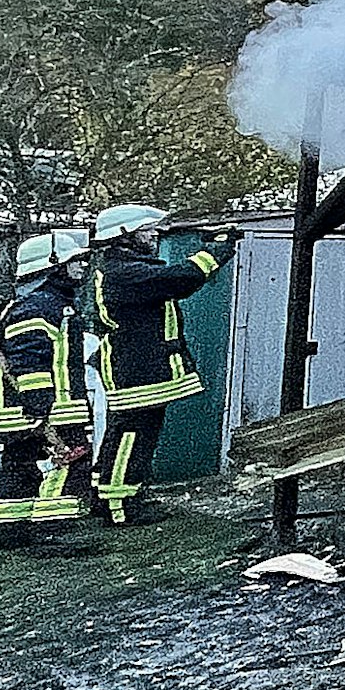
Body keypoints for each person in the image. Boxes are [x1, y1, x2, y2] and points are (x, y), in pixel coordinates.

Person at [89, 204, 235, 525]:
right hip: (136, 370)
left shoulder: (123, 268)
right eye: (147, 230)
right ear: (124, 235)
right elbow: (180, 279)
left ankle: (106, 497)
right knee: (132, 436)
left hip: (136, 366)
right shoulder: (125, 273)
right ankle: (120, 506)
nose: (155, 234)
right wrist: (217, 249)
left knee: (126, 433)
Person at [0, 230, 95, 550]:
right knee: (69, 462)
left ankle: (8, 532)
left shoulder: (36, 303)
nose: (82, 266)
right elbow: (28, 356)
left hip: (20, 408)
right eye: (75, 261)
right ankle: (53, 531)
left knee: (19, 467)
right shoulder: (42, 305)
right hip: (50, 406)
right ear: (53, 265)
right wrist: (39, 401)